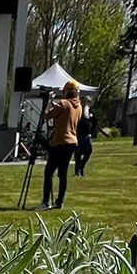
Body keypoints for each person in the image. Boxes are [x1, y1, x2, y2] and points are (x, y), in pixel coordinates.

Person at [39, 79, 80, 209]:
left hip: (60, 141)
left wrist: (48, 102)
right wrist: (53, 103)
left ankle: (46, 202)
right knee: (63, 173)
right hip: (72, 141)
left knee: (49, 172)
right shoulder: (78, 106)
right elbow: (62, 113)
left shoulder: (63, 103)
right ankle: (59, 202)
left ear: (67, 92)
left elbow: (47, 116)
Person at [74, 92, 95, 176]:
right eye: (85, 101)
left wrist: (92, 133)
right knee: (78, 154)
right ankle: (77, 171)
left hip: (87, 136)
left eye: (88, 101)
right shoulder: (78, 111)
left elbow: (94, 123)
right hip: (78, 135)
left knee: (88, 151)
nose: (86, 103)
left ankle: (81, 167)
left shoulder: (91, 111)